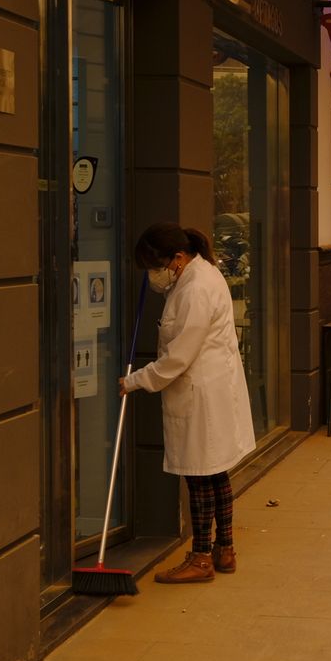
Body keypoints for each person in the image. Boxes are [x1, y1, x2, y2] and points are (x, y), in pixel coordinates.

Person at [118, 223, 256, 583]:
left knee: (199, 477)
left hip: (201, 393)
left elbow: (179, 357)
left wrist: (135, 381)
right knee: (215, 474)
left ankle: (201, 557)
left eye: (156, 266)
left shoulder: (196, 288)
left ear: (177, 259)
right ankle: (224, 550)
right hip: (210, 389)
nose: (153, 275)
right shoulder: (199, 276)